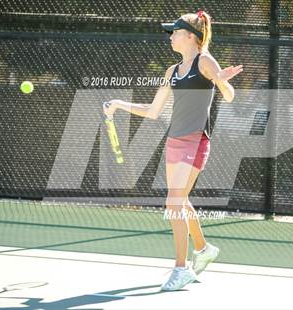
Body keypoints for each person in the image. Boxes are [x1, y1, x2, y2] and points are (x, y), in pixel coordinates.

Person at [103, 11, 243, 291]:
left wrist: (222, 81)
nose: (171, 37)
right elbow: (154, 111)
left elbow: (229, 96)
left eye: (175, 32)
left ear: (190, 36)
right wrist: (120, 103)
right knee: (180, 201)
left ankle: (181, 269)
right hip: (175, 142)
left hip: (196, 141)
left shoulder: (204, 60)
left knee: (173, 203)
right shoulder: (172, 71)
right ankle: (203, 249)